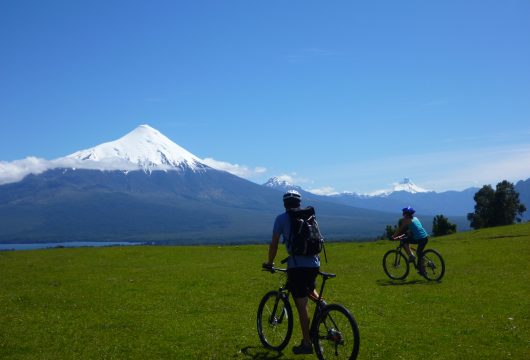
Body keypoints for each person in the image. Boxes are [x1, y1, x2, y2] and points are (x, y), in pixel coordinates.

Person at [263, 190, 320, 355]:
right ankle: (324, 309)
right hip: (314, 264)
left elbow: (274, 244)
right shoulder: (309, 216)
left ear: (284, 204)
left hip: (297, 266)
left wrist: (270, 262)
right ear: (299, 203)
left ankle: (307, 344)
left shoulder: (281, 219)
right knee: (310, 289)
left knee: (301, 306)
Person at [393, 206, 429, 274]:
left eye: (403, 213)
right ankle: (422, 269)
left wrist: (393, 236)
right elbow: (416, 228)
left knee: (403, 241)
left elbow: (399, 229)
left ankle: (411, 257)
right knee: (419, 253)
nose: (403, 215)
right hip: (425, 237)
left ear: (406, 214)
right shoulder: (415, 218)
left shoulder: (406, 220)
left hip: (419, 238)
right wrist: (408, 234)